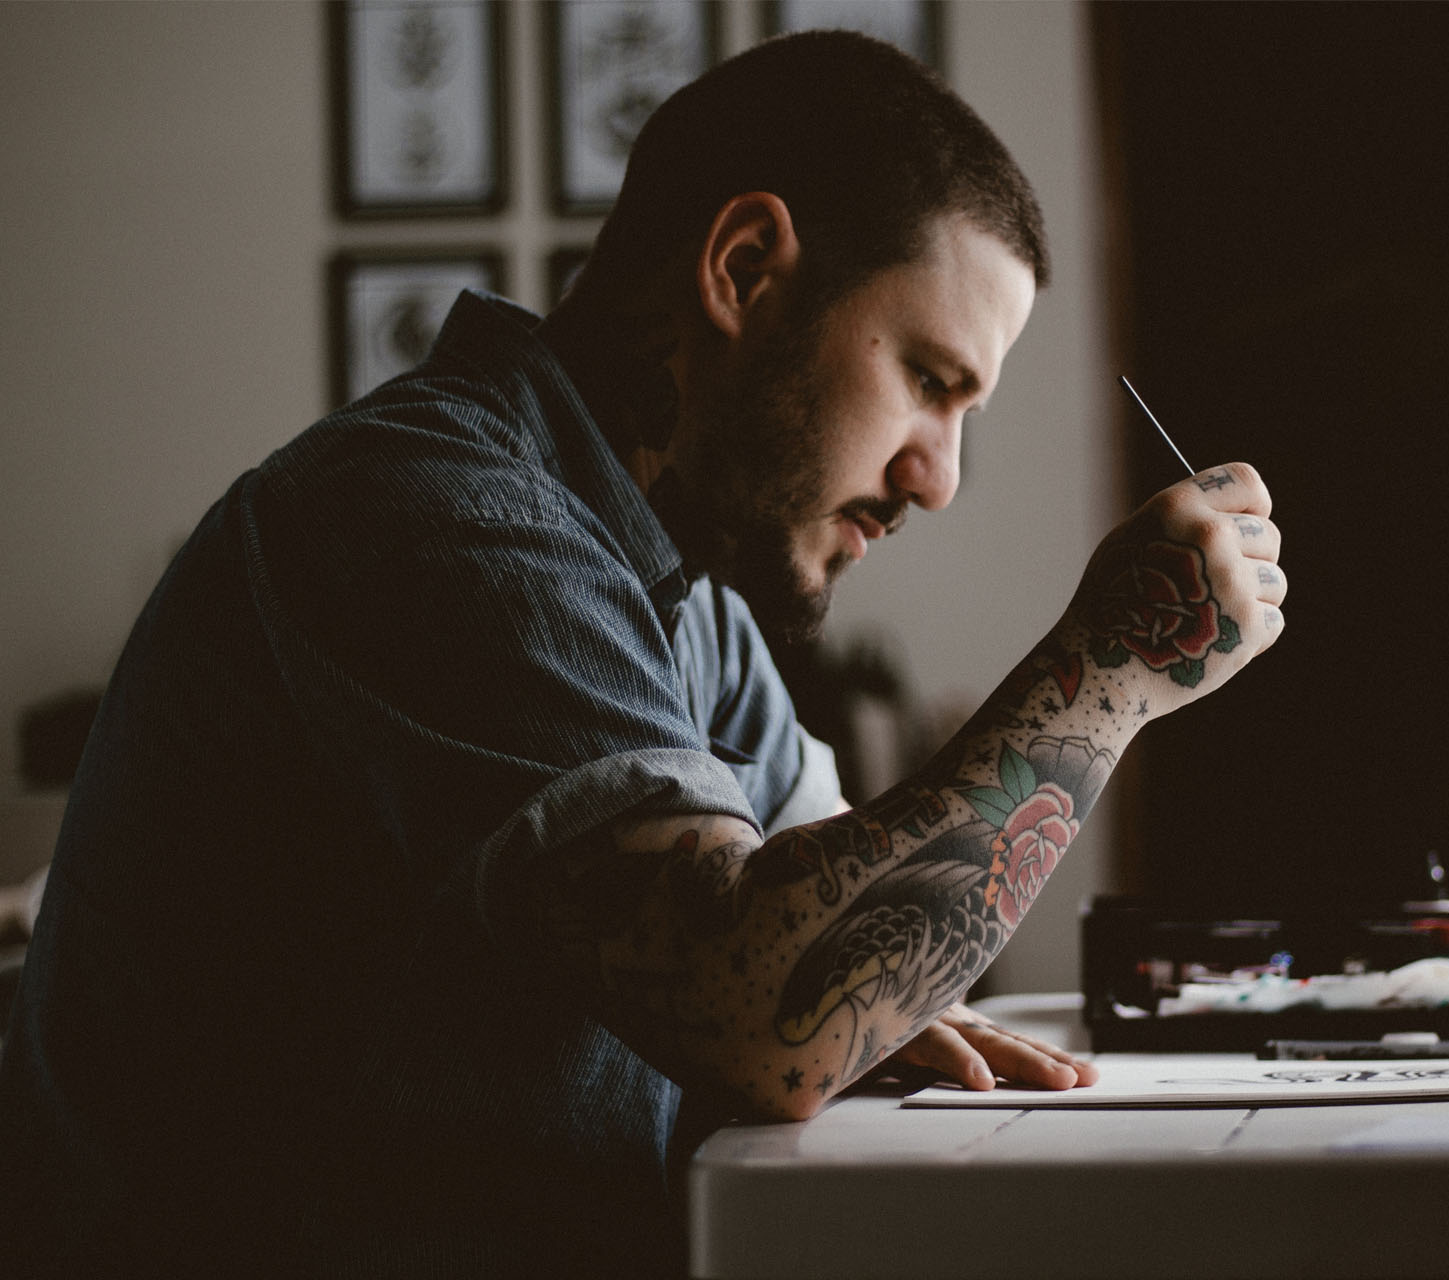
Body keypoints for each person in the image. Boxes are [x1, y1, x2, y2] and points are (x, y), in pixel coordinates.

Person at [0, 30, 1286, 1277]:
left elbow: (838, 927)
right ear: (741, 269)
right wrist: (1113, 670)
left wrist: (856, 979)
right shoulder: (433, 512)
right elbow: (768, 1008)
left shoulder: (685, 592)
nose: (938, 476)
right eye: (932, 383)